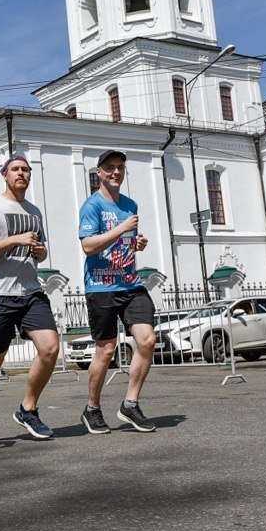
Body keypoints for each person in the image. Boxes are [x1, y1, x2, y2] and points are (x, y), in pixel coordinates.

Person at [0, 154, 61, 444]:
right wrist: (13, 240)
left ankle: (28, 408)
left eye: (25, 170)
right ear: (5, 175)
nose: (21, 174)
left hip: (30, 291)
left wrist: (40, 253)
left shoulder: (35, 211)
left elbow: (39, 248)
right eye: (15, 169)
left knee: (50, 347)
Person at [78, 150, 157, 434]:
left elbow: (126, 241)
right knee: (106, 350)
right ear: (99, 173)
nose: (115, 172)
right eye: (110, 168)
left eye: (120, 168)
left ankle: (130, 404)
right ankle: (92, 408)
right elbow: (88, 245)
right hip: (101, 287)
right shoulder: (92, 206)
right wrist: (121, 228)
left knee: (147, 340)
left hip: (130, 284)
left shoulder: (130, 205)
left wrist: (137, 244)